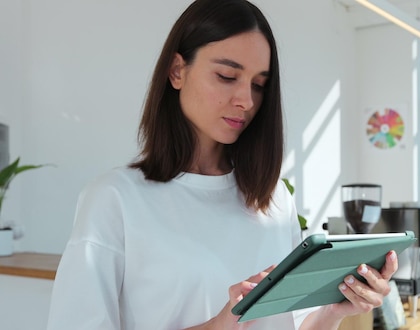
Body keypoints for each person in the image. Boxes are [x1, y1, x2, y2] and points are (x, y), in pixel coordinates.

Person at [47, 0, 399, 329]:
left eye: (259, 85)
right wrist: (217, 324)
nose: (245, 100)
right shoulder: (115, 199)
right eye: (227, 77)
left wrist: (333, 311)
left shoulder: (274, 197)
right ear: (176, 71)